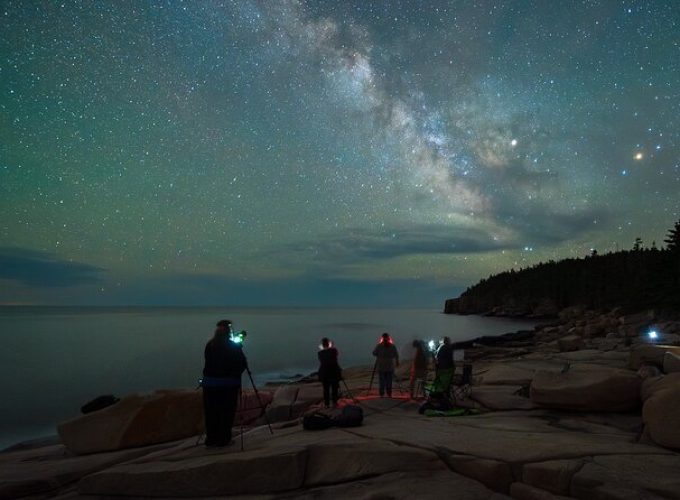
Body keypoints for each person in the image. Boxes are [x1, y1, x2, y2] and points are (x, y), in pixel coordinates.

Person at [201, 319, 247, 447]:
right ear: (229, 332)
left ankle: (211, 439)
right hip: (228, 385)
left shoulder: (210, 345)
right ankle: (224, 439)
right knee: (226, 412)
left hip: (209, 384)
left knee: (211, 412)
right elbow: (242, 364)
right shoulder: (233, 347)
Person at [372, 333, 399, 397]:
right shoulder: (392, 346)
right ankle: (388, 393)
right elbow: (396, 355)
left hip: (383, 367)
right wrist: (397, 362)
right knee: (388, 381)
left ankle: (382, 394)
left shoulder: (379, 346)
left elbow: (374, 353)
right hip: (388, 367)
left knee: (383, 381)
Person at [317, 337, 342, 408]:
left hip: (324, 373)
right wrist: (331, 346)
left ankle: (326, 404)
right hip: (333, 372)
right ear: (328, 344)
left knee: (326, 389)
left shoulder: (320, 353)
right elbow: (336, 354)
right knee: (334, 389)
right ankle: (334, 403)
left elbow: (324, 355)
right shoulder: (333, 351)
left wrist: (325, 347)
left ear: (322, 345)